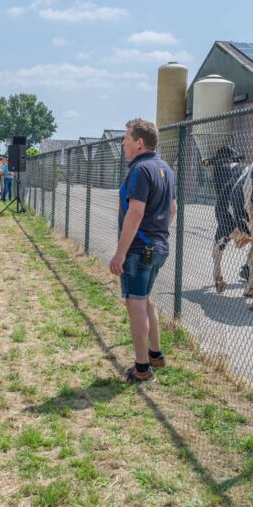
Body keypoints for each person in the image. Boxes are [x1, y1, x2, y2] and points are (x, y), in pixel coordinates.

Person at [108, 119, 176, 384]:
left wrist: (120, 253)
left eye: (126, 137)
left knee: (135, 303)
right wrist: (157, 234)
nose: (123, 142)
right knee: (146, 299)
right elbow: (172, 209)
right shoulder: (165, 169)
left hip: (139, 249)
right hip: (159, 248)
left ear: (138, 142)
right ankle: (156, 354)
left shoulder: (140, 169)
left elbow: (135, 213)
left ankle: (142, 368)